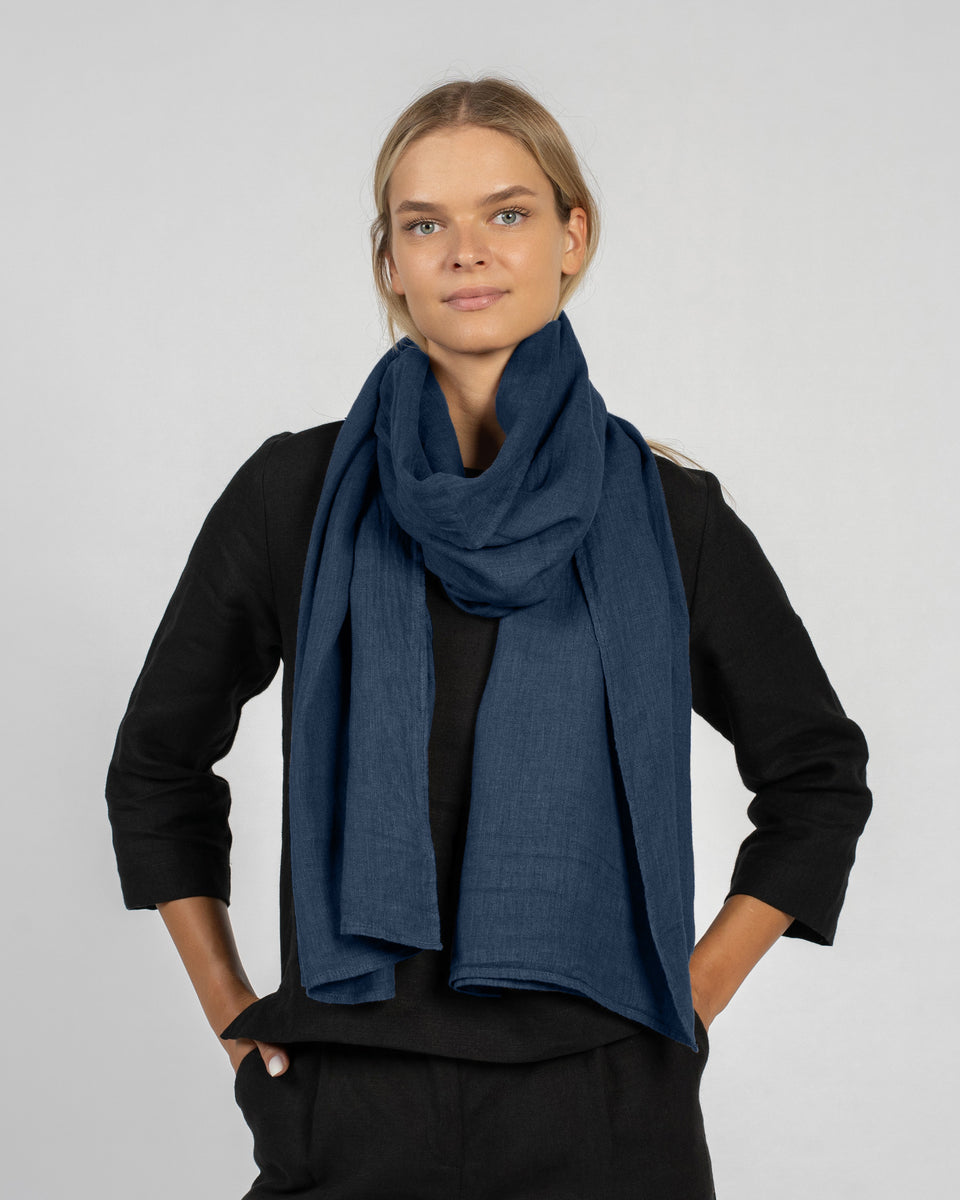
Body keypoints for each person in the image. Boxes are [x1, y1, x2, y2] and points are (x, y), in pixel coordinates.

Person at [104, 76, 873, 1200]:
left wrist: (687, 999)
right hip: (349, 1101)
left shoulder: (670, 520)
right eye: (425, 224)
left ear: (573, 236)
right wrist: (233, 1017)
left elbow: (818, 779)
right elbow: (156, 765)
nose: (466, 251)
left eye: (507, 213)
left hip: (608, 1108)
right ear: (390, 261)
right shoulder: (292, 497)